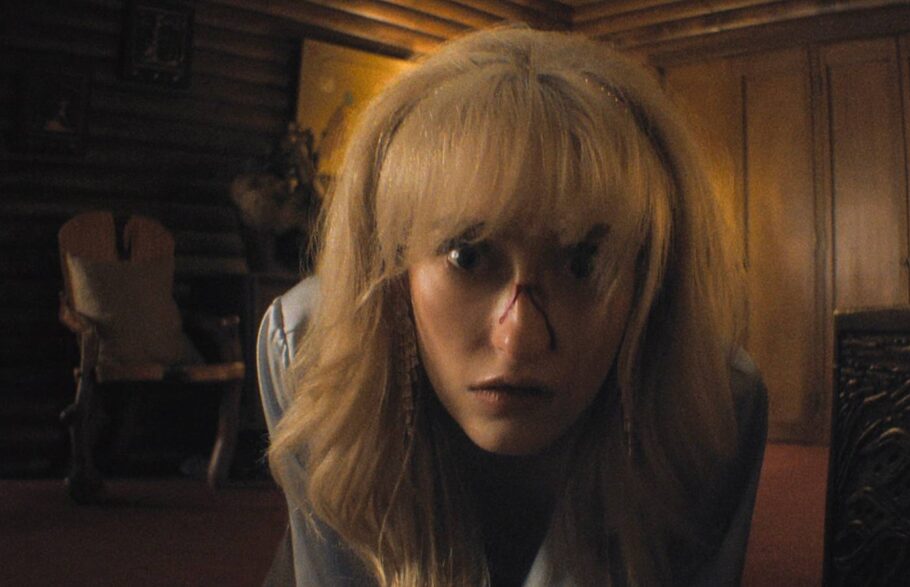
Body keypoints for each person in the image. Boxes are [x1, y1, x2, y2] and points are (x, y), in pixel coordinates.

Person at [258, 25, 767, 586]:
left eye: (583, 264)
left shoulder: (713, 400)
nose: (519, 337)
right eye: (468, 255)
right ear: (396, 264)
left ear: (650, 277)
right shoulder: (315, 350)